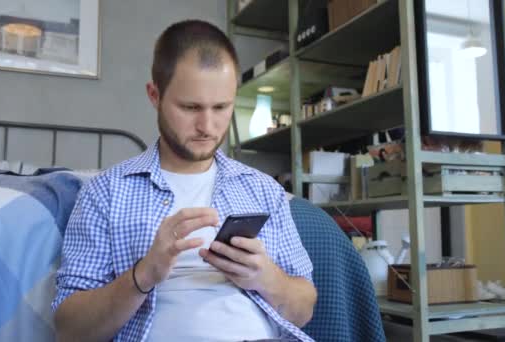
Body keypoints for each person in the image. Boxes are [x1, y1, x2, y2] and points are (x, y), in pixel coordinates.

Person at [52, 19, 317, 342]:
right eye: (190, 107)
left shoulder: (264, 190)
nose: (207, 125)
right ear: (155, 95)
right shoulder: (105, 193)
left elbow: (304, 310)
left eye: (221, 107)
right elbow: (70, 330)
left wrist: (267, 278)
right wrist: (143, 275)